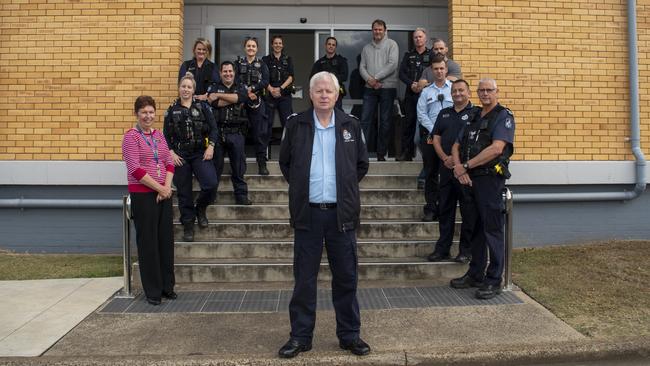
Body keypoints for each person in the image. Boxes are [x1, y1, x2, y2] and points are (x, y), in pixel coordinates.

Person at [278, 71, 370, 358]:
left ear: (337, 93)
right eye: (318, 90)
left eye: (328, 90)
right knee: (304, 280)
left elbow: (361, 166)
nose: (324, 95)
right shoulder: (296, 125)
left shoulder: (351, 125)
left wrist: (342, 188)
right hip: (308, 215)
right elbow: (286, 164)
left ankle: (349, 335)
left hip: (340, 216)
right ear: (310, 94)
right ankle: (301, 336)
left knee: (346, 277)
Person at [450, 78, 515, 300]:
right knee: (474, 229)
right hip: (469, 181)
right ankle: (475, 274)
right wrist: (459, 168)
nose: (485, 93)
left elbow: (497, 149)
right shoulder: (475, 116)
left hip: (489, 181)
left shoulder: (503, 116)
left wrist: (466, 165)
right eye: (482, 90)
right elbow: (456, 145)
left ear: (497, 92)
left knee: (492, 230)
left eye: (489, 90)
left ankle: (494, 279)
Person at [122, 95, 177, 306]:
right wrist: (160, 188)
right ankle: (153, 291)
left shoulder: (159, 135)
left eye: (151, 112)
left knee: (165, 241)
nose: (148, 116)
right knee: (148, 243)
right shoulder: (131, 137)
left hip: (163, 194)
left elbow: (168, 162)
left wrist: (166, 187)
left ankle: (167, 287)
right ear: (137, 114)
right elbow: (135, 170)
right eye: (144, 112)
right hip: (144, 195)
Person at [163, 73, 219, 242]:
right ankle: (188, 224)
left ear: (194, 90)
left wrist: (211, 146)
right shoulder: (171, 110)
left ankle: (200, 209)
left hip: (199, 153)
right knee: (184, 192)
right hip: (180, 156)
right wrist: (171, 152)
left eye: (189, 87)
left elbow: (214, 129)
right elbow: (165, 136)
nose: (186, 89)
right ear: (179, 88)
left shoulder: (202, 107)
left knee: (210, 184)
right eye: (183, 86)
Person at [428, 79, 477, 263]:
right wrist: (444, 158)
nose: (457, 93)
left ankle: (466, 251)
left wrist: (462, 165)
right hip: (447, 170)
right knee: (445, 211)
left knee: (468, 212)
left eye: (461, 90)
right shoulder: (444, 113)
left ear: (469, 93)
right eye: (455, 91)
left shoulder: (476, 114)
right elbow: (436, 138)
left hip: (466, 171)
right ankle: (442, 249)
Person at [208, 61, 252, 205]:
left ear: (234, 72)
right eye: (225, 71)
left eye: (230, 71)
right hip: (218, 133)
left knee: (239, 167)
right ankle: (211, 196)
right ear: (220, 73)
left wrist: (220, 96)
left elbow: (243, 97)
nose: (228, 74)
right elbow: (214, 103)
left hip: (237, 132)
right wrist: (234, 98)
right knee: (216, 167)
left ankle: (241, 196)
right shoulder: (213, 87)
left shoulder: (241, 87)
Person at [416, 55, 452, 222]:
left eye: (442, 68)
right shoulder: (426, 91)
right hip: (431, 137)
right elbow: (421, 114)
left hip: (450, 139)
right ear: (431, 70)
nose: (439, 71)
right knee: (430, 173)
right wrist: (435, 130)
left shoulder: (454, 89)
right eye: (436, 69)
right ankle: (431, 208)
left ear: (446, 69)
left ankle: (445, 208)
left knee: (447, 174)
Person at [359, 19, 399, 161]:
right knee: (365, 120)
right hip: (369, 88)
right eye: (375, 29)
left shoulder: (392, 44)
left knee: (385, 121)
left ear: (385, 30)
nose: (377, 32)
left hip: (387, 88)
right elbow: (361, 67)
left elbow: (392, 64)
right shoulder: (366, 48)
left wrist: (375, 78)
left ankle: (381, 154)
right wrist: (370, 80)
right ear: (372, 30)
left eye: (380, 29)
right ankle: (361, 153)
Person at [235, 37, 270, 175]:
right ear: (245, 48)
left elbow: (266, 81)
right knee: (239, 135)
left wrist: (253, 89)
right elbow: (234, 79)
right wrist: (245, 91)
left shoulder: (262, 65)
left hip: (257, 102)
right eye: (248, 46)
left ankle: (262, 164)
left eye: (253, 46)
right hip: (241, 104)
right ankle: (238, 166)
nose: (251, 48)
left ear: (257, 49)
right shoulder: (238, 63)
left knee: (259, 134)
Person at [397, 27, 433, 161]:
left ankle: (427, 154)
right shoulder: (408, 55)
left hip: (427, 95)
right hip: (411, 94)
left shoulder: (432, 56)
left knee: (425, 124)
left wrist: (424, 84)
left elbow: (435, 73)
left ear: (425, 39)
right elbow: (401, 73)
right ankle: (407, 153)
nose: (418, 39)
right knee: (409, 123)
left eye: (420, 37)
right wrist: (411, 83)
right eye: (415, 37)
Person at [263, 35, 294, 130]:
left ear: (282, 45)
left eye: (280, 43)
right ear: (272, 45)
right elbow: (263, 77)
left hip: (284, 95)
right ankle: (265, 145)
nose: (278, 45)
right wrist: (272, 90)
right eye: (275, 43)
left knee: (287, 122)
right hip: (270, 95)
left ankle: (288, 145)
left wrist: (280, 89)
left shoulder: (288, 59)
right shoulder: (265, 60)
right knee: (267, 123)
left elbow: (291, 77)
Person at [310, 36, 348, 110]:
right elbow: (312, 78)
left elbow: (344, 76)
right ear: (325, 45)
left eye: (333, 45)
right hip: (322, 93)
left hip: (336, 93)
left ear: (335, 47)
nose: (331, 46)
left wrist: (330, 79)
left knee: (337, 114)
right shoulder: (319, 63)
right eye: (329, 44)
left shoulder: (341, 61)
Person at [179, 38, 220, 102]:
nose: (201, 51)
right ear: (194, 50)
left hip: (207, 103)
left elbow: (216, 85)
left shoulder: (213, 67)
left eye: (204, 49)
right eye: (199, 49)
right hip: (188, 102)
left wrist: (207, 96)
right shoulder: (186, 65)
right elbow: (181, 83)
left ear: (208, 51)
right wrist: (190, 96)